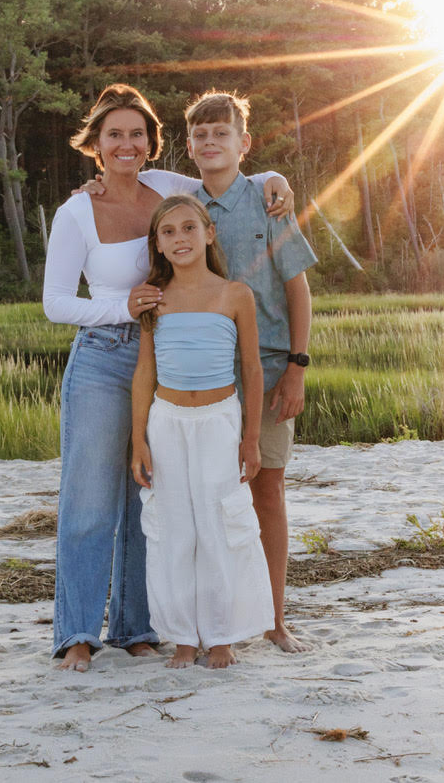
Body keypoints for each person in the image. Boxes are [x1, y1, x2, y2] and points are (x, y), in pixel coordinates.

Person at [42, 83, 292, 672]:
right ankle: (77, 633)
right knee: (90, 503)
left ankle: (136, 628)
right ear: (96, 144)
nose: (125, 144)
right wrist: (122, 307)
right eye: (114, 135)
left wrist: (275, 176)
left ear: (151, 143)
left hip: (171, 360)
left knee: (149, 501)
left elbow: (226, 173)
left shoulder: (166, 187)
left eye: (137, 134)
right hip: (105, 356)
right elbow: (55, 302)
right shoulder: (76, 211)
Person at [184, 91, 318, 654]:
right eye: (200, 135)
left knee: (268, 491)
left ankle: (274, 620)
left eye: (222, 133)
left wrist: (297, 367)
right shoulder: (182, 209)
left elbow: (298, 290)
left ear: (244, 143)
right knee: (210, 497)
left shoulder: (270, 203)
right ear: (188, 146)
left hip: (270, 366)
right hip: (206, 376)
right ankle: (216, 624)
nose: (210, 142)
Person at [129, 195, 273, 669]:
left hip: (219, 423)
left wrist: (250, 438)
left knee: (218, 526)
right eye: (168, 232)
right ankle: (183, 638)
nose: (180, 239)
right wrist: (139, 438)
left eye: (189, 228)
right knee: (173, 529)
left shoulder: (235, 294)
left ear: (209, 234)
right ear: (157, 244)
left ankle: (222, 635)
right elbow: (145, 371)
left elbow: (252, 370)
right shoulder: (154, 297)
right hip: (167, 422)